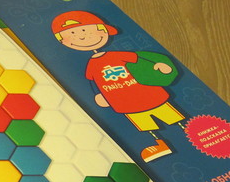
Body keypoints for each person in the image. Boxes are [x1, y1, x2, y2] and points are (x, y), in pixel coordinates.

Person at [52, 10, 185, 162]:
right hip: (126, 103)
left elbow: (141, 60)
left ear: (103, 30)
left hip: (149, 95)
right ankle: (160, 143)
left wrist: (159, 66)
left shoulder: (117, 55)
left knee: (172, 117)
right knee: (147, 125)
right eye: (72, 33)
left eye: (84, 30)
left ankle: (188, 131)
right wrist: (98, 95)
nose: (82, 36)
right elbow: (93, 82)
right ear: (63, 41)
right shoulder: (91, 65)